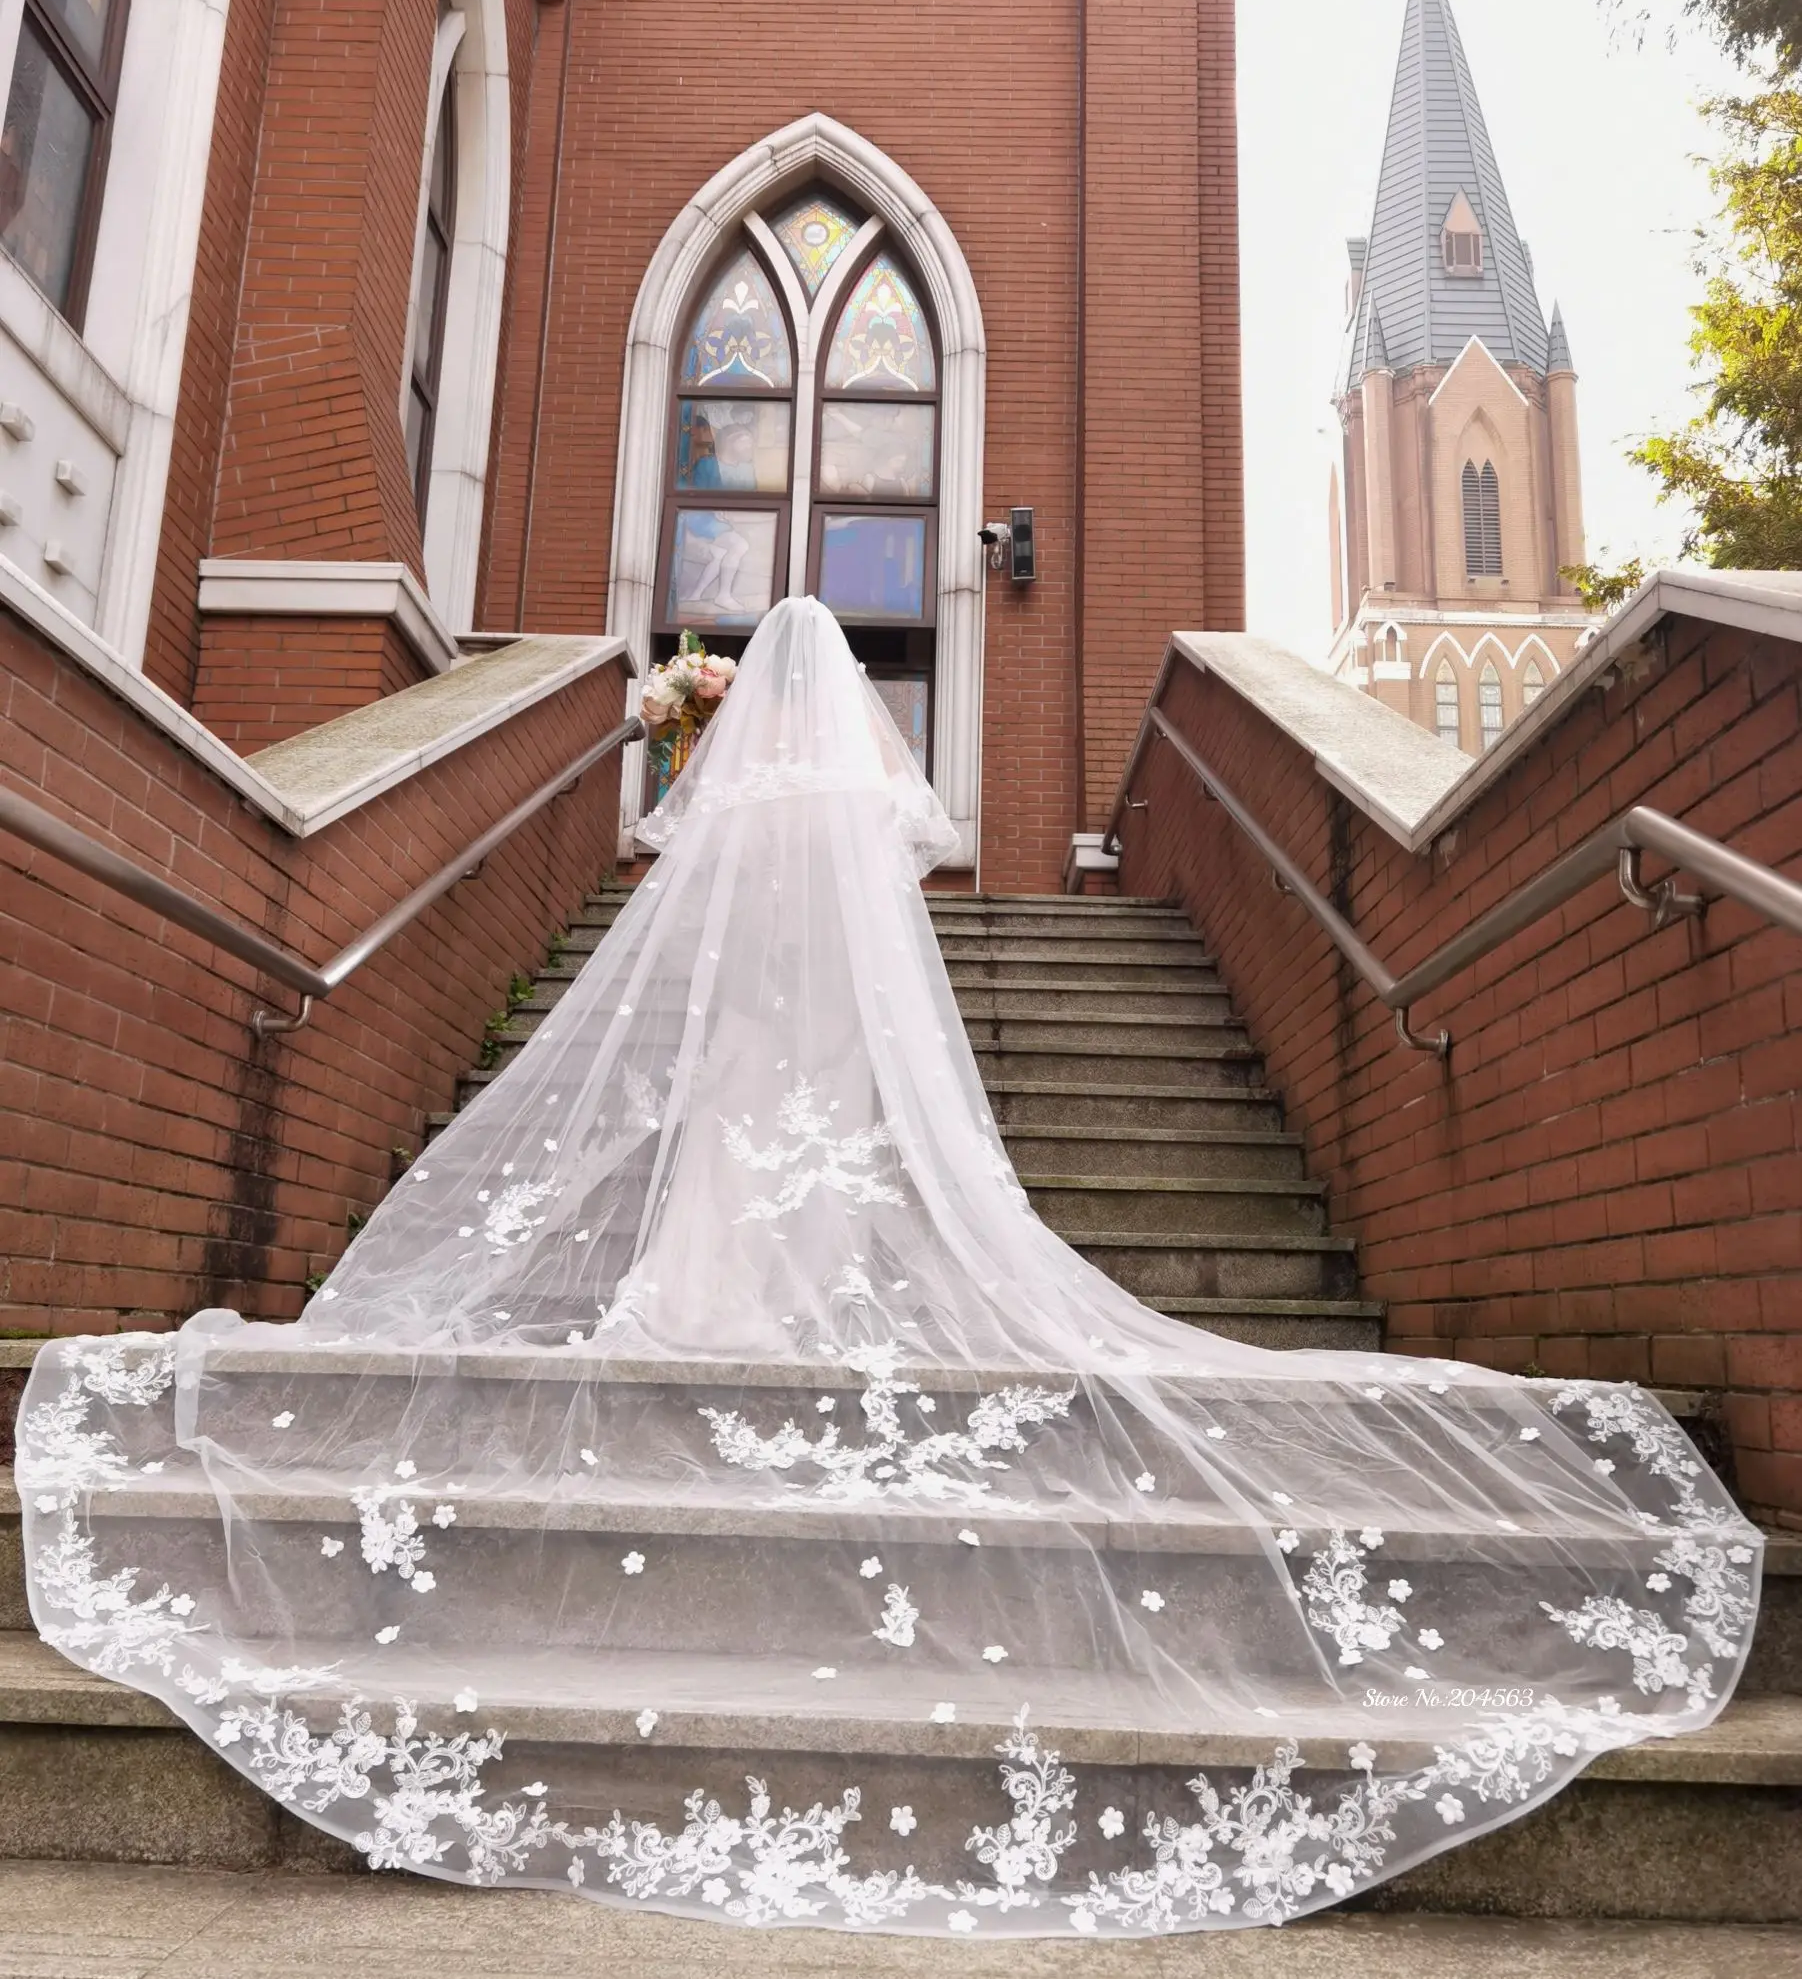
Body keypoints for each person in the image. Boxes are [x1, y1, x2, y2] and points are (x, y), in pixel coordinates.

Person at [15, 599, 1764, 1936]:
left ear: (729, 692)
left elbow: (682, 967)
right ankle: (773, 1281)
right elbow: (878, 959)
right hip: (827, 1078)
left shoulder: (730, 789)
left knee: (717, 1182)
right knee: (803, 1175)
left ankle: (705, 1298)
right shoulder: (846, 797)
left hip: (741, 1068)